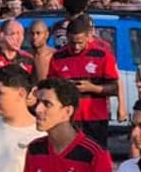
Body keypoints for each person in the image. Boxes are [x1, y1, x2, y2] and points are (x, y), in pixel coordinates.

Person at [48, 15, 120, 147]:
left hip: (95, 119)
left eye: (80, 42)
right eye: (72, 42)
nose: (76, 46)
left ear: (88, 37)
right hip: (67, 118)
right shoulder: (57, 57)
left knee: (95, 156)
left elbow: (115, 88)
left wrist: (92, 88)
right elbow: (50, 87)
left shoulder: (103, 56)